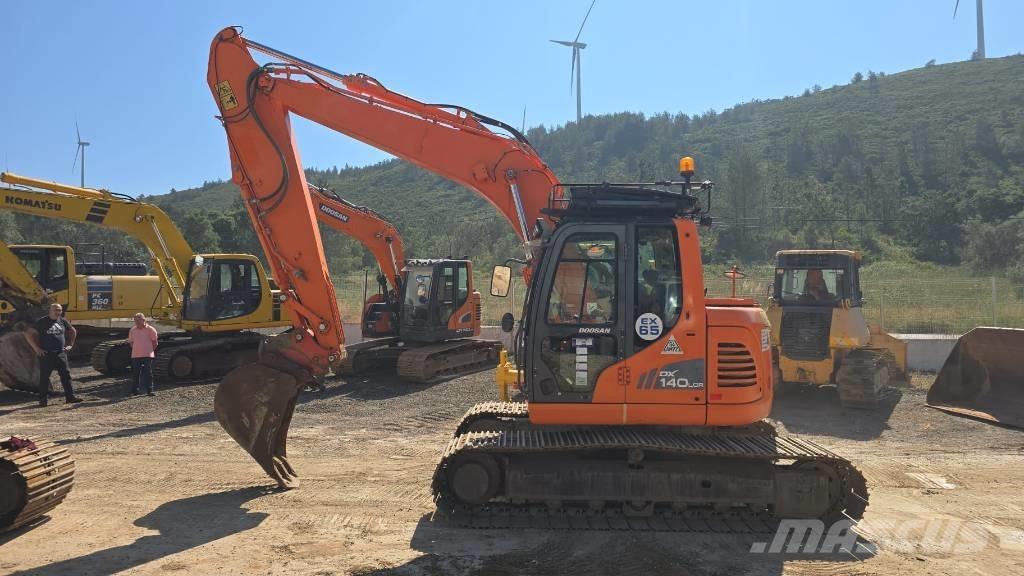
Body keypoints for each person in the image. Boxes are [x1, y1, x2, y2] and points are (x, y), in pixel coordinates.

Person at [25, 303, 82, 407]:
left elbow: (73, 330)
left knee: (66, 376)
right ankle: (43, 401)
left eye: (59, 310)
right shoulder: (42, 322)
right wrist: (36, 348)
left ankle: (70, 398)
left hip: (61, 353)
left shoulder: (62, 321)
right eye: (55, 310)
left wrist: (70, 344)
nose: (58, 312)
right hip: (46, 354)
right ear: (50, 311)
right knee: (44, 378)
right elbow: (28, 333)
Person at [127, 313, 159, 397]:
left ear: (144, 320)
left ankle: (150, 390)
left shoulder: (150, 329)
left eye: (139, 320)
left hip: (147, 355)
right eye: (135, 320)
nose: (137, 322)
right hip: (135, 355)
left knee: (148, 373)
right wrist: (137, 350)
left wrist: (149, 351)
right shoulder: (133, 330)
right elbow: (131, 342)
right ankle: (134, 391)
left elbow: (155, 342)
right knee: (135, 373)